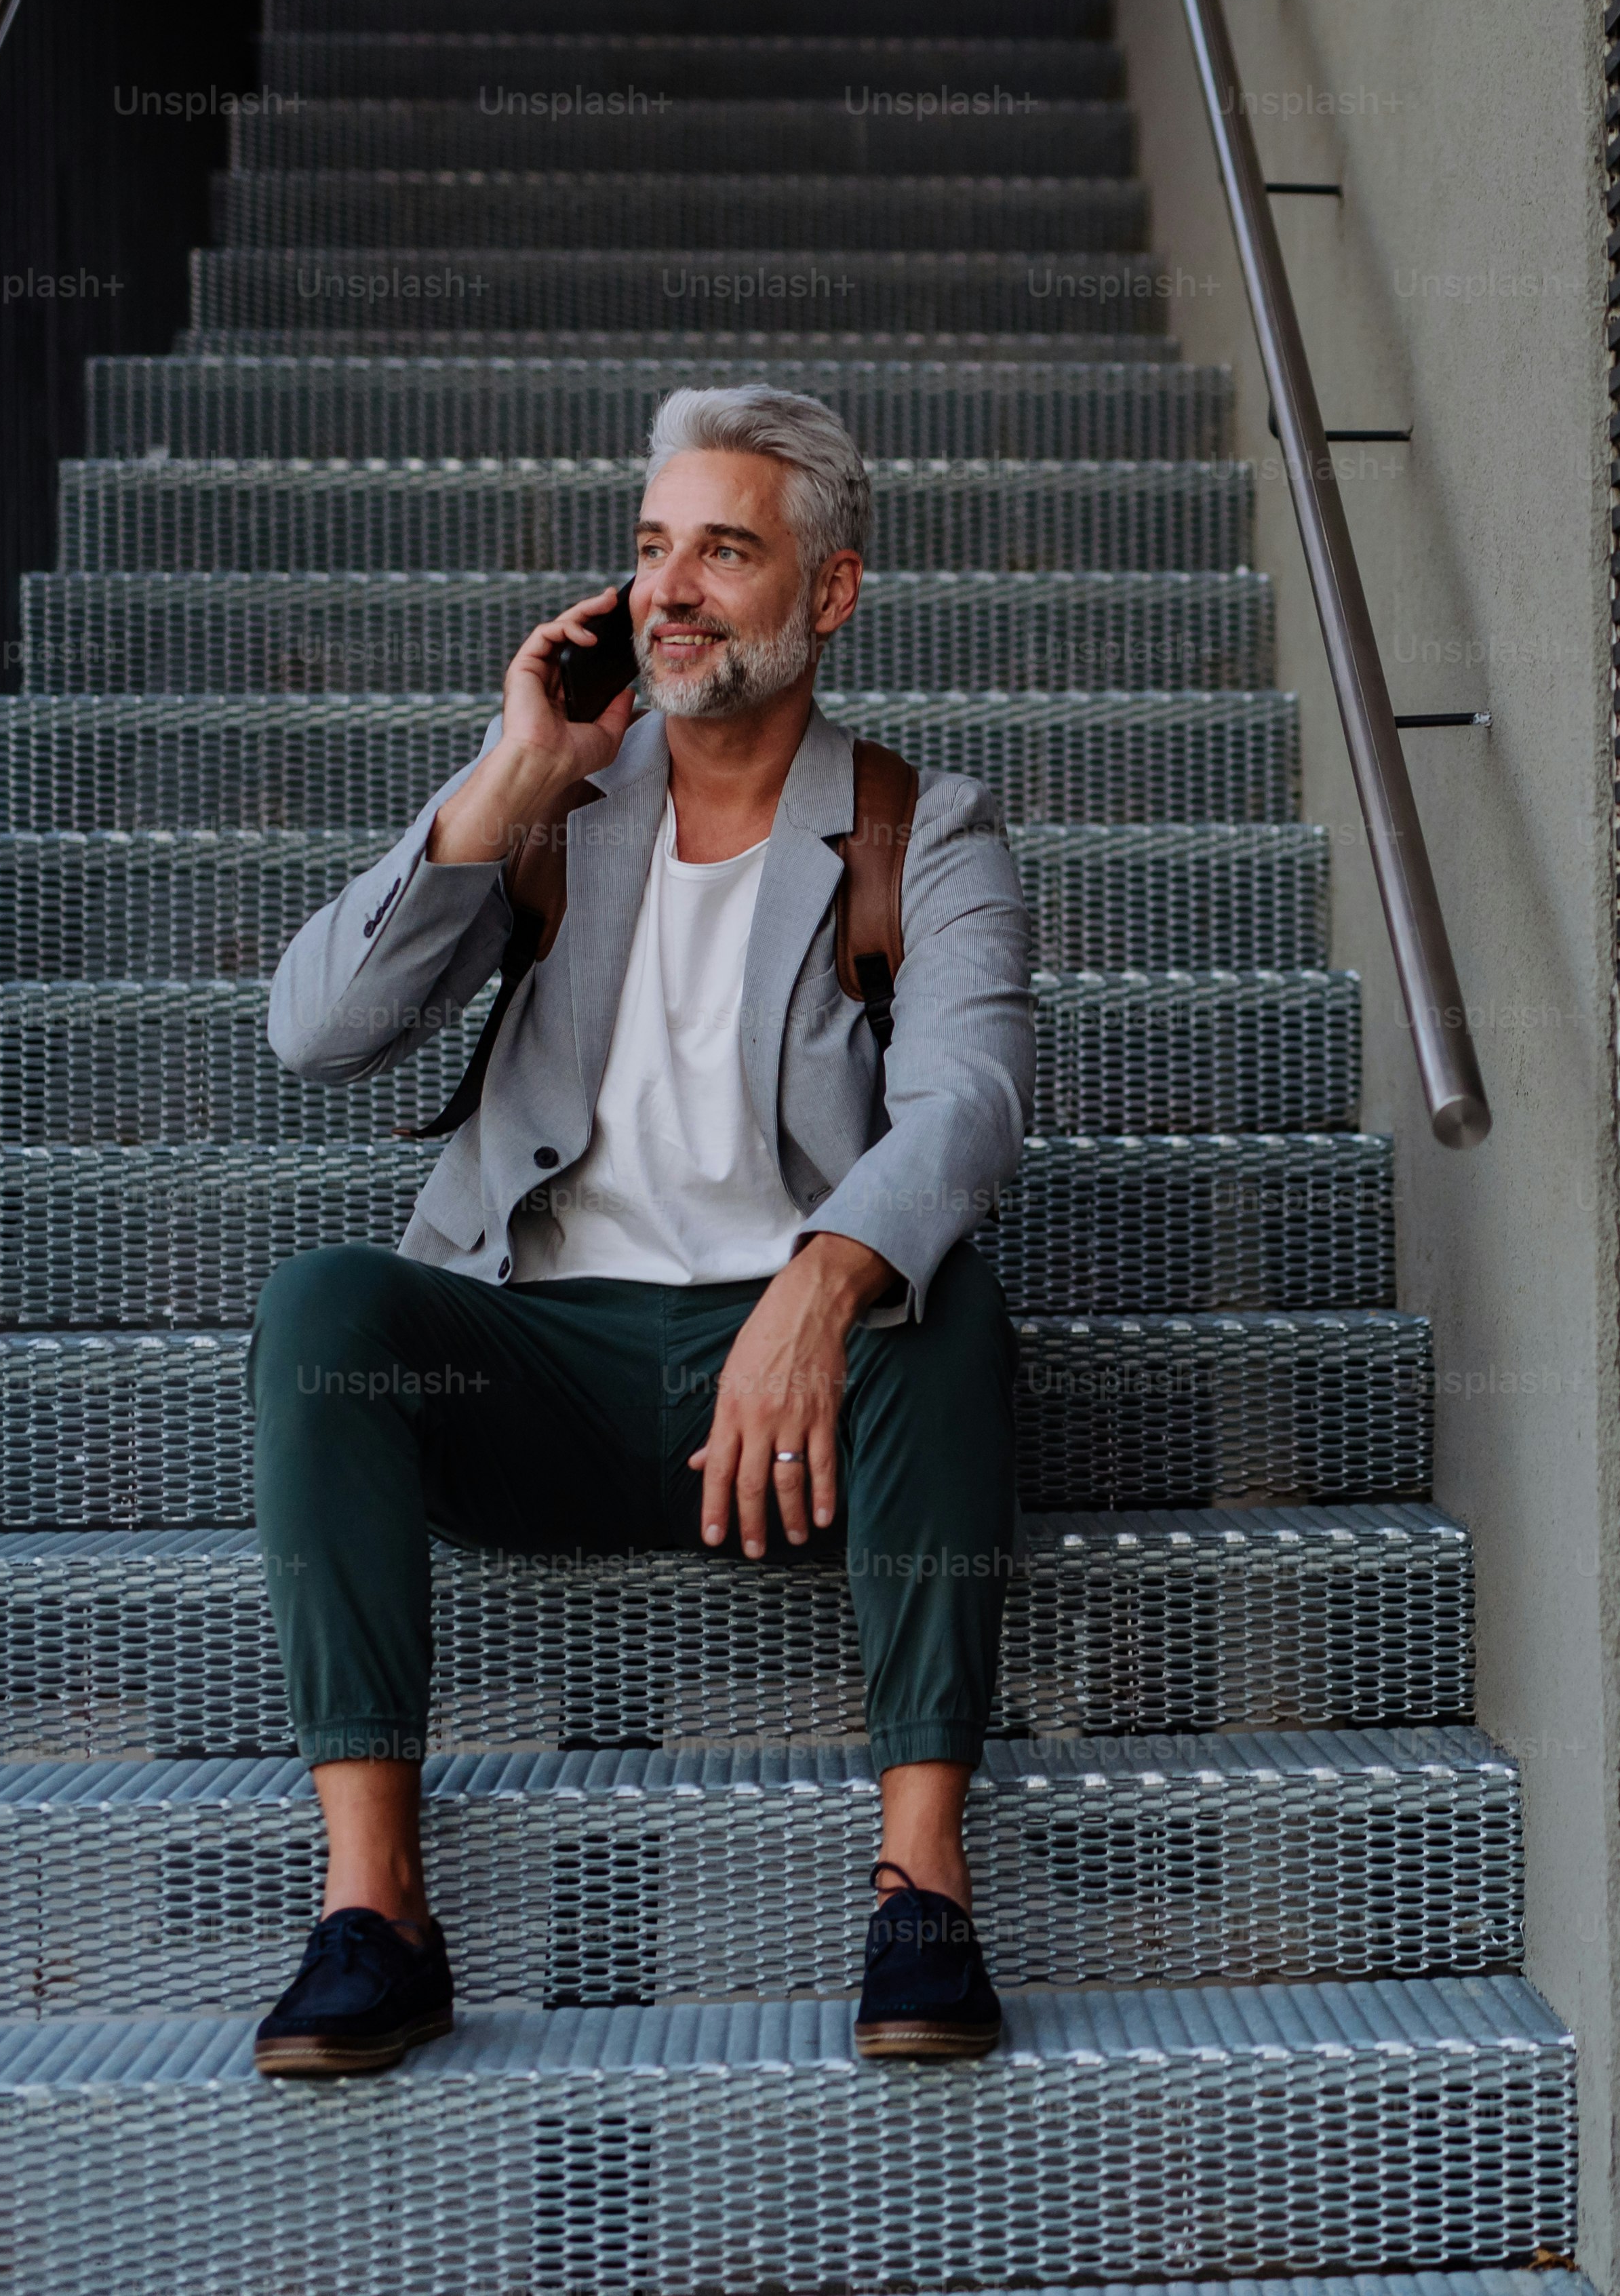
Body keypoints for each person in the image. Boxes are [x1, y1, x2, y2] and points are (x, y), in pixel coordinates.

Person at [241, 384, 1032, 2074]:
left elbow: (967, 1101)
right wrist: (513, 769)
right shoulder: (556, 805)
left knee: (946, 1303)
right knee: (322, 1308)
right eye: (651, 547)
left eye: (724, 550)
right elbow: (313, 1033)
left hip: (798, 1414)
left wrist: (820, 1285)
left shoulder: (920, 827)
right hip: (544, 1368)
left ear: (829, 591)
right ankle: (375, 1912)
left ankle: (920, 1885)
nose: (669, 587)